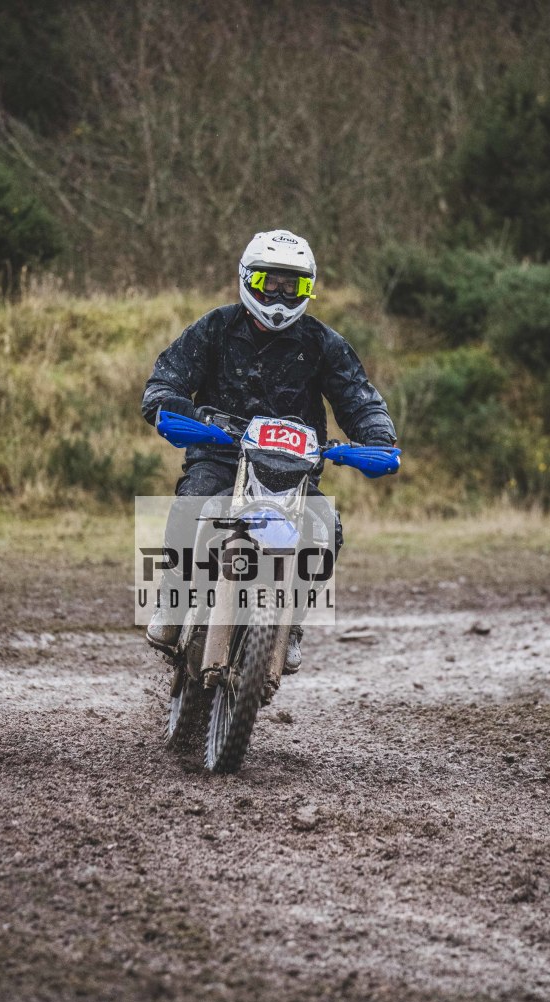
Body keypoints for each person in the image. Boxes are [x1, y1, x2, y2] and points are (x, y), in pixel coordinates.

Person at [141, 228, 396, 672]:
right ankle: (173, 596)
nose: (279, 294)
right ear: (248, 280)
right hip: (220, 455)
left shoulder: (323, 344)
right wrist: (184, 413)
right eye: (269, 282)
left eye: (291, 285)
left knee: (325, 528)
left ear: (307, 289)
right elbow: (166, 381)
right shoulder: (215, 328)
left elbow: (359, 398)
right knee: (192, 500)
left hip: (295, 471)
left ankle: (291, 624)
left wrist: (377, 439)